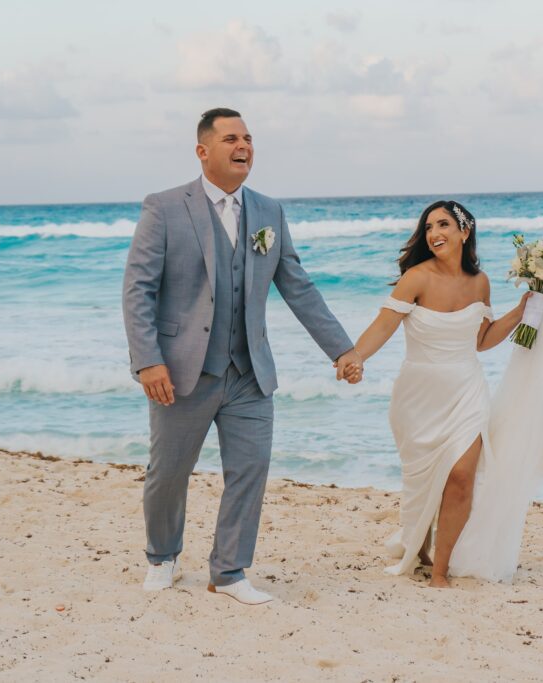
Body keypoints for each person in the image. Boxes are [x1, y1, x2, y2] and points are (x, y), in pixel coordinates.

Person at [122, 107, 363, 605]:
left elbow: (298, 287)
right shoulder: (164, 207)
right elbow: (138, 289)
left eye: (249, 138)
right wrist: (148, 359)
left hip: (249, 371)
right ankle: (162, 555)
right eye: (232, 138)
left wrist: (341, 348)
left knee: (249, 470)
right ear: (203, 150)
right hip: (182, 370)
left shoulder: (269, 212)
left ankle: (229, 571)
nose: (244, 146)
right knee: (168, 472)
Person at [343, 200, 533, 587]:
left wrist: (520, 311)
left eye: (443, 224)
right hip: (418, 396)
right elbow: (383, 325)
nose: (434, 234)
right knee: (421, 485)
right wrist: (356, 357)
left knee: (461, 476)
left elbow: (480, 340)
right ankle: (421, 549)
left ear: (465, 232)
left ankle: (441, 571)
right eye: (429, 227)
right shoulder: (416, 277)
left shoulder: (480, 282)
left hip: (467, 389)